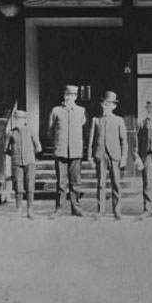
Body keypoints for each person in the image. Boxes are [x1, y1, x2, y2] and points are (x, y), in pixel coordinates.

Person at [88, 91, 128, 219]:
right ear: (101, 104)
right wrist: (90, 156)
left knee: (116, 183)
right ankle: (101, 210)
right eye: (104, 103)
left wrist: (123, 158)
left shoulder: (119, 120)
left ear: (114, 106)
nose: (106, 106)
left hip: (114, 156)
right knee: (101, 183)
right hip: (100, 155)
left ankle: (117, 211)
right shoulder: (96, 120)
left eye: (109, 104)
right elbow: (91, 140)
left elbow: (124, 141)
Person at [48, 84, 86, 217]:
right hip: (61, 150)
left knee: (76, 181)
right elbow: (50, 131)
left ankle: (76, 208)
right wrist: (57, 144)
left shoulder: (81, 111)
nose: (70, 98)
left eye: (73, 95)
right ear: (64, 96)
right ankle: (59, 208)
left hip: (75, 151)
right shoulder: (56, 111)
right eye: (68, 95)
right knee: (61, 183)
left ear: (76, 97)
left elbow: (83, 126)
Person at [4, 109, 42, 219]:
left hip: (30, 163)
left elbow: (38, 147)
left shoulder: (31, 131)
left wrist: (31, 155)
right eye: (16, 119)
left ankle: (30, 209)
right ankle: (19, 209)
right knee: (18, 187)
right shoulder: (11, 133)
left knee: (30, 186)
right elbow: (5, 149)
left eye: (21, 118)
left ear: (25, 120)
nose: (18, 121)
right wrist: (14, 154)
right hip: (16, 163)